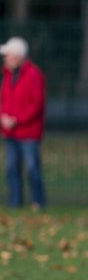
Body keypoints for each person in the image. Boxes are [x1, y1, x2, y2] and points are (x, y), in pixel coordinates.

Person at [0, 37, 46, 210]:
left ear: (17, 57)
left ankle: (38, 201)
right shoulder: (7, 75)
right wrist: (3, 118)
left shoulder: (34, 74)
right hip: (10, 132)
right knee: (11, 168)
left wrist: (17, 120)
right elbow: (4, 101)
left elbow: (36, 103)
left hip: (28, 132)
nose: (5, 58)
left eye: (8, 55)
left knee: (32, 167)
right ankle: (15, 202)